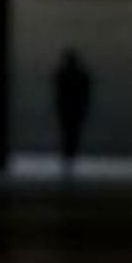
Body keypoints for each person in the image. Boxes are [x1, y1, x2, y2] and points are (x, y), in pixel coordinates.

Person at [54, 47, 92, 176]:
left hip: (67, 109)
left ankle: (68, 155)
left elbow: (58, 94)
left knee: (67, 133)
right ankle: (70, 155)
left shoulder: (61, 75)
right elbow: (86, 94)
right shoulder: (81, 76)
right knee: (73, 133)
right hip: (75, 109)